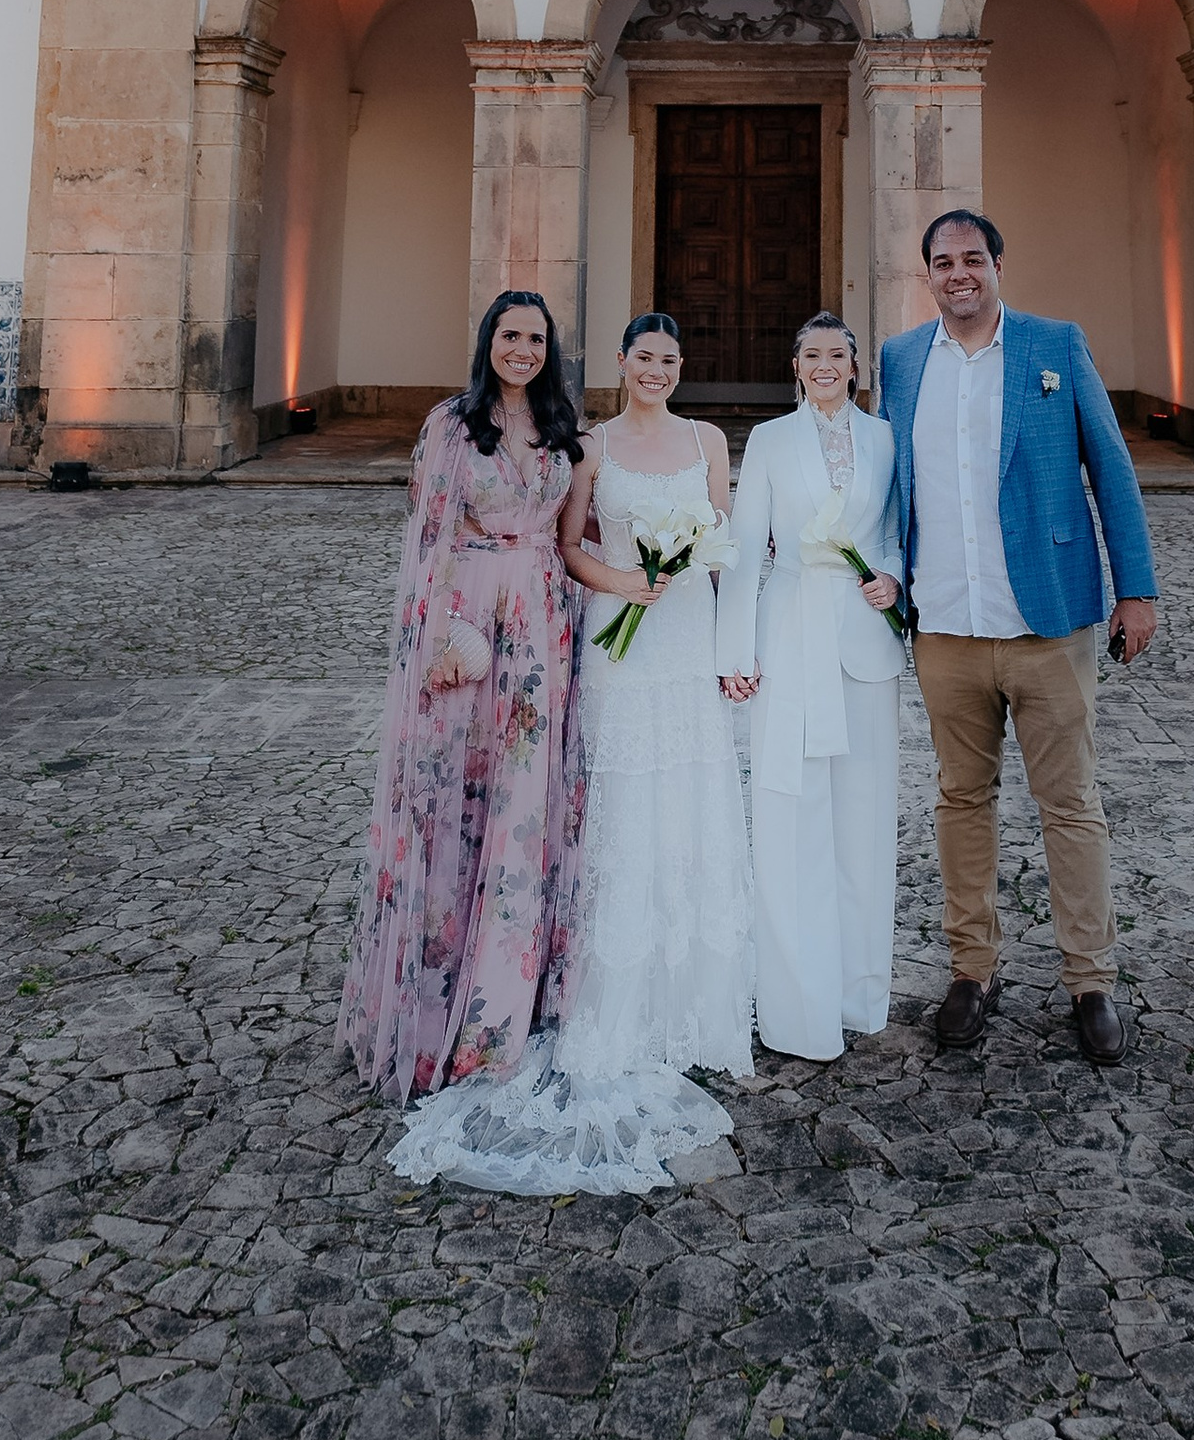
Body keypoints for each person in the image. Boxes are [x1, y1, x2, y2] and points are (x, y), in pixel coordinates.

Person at [388, 308, 757, 1192]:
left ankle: (677, 992)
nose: (657, 369)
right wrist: (627, 582)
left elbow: (725, 542)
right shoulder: (574, 441)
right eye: (643, 356)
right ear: (622, 363)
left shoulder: (608, 435)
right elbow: (562, 542)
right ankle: (498, 987)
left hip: (634, 636)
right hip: (560, 630)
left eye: (671, 358)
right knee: (585, 801)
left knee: (647, 802)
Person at [876, 209, 1159, 1067]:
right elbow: (887, 480)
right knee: (961, 800)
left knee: (1068, 802)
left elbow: (1110, 466)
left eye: (971, 258)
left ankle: (1091, 981)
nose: (956, 273)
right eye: (941, 262)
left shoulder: (1054, 346)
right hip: (947, 627)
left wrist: (1135, 588)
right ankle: (973, 970)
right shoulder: (900, 360)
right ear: (926, 275)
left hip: (1049, 620)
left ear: (998, 263)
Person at [335, 290, 584, 1100]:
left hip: (543, 628)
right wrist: (439, 633)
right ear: (488, 343)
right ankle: (438, 990)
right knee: (454, 796)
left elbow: (575, 534)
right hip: (471, 630)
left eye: (536, 338)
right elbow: (428, 536)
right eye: (510, 335)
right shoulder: (450, 425)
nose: (523, 349)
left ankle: (511, 999)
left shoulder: (559, 428)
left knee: (525, 802)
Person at [720, 312, 904, 1060]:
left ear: (855, 368)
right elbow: (741, 551)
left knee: (865, 821)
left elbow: (893, 531)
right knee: (792, 819)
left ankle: (860, 995)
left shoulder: (886, 440)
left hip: (864, 646)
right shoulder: (769, 441)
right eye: (813, 355)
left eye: (838, 354)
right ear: (796, 368)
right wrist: (734, 649)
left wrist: (896, 578)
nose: (826, 365)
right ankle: (798, 1007)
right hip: (789, 633)